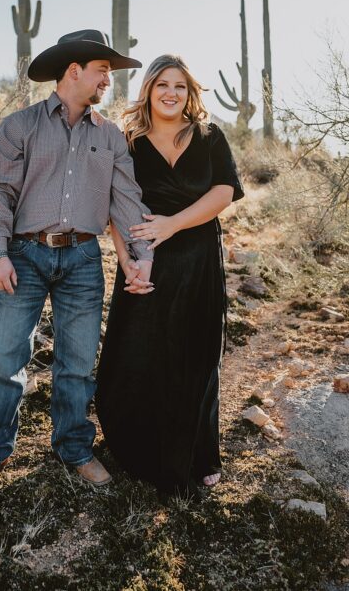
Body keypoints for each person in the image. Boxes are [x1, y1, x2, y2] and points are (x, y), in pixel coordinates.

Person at [0, 29, 155, 491]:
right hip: (22, 256)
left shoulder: (110, 138)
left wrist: (140, 258)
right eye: (103, 69)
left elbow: (126, 201)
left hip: (84, 258)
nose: (108, 79)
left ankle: (73, 448)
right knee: (7, 359)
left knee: (78, 362)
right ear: (74, 71)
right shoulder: (19, 126)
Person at [95, 54, 243, 497]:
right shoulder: (130, 142)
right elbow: (114, 204)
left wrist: (173, 224)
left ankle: (200, 456)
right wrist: (126, 260)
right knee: (138, 354)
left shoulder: (210, 137)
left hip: (197, 258)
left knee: (197, 356)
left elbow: (224, 191)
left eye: (180, 86)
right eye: (162, 84)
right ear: (148, 91)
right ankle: (139, 450)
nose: (171, 93)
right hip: (145, 262)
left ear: (190, 92)